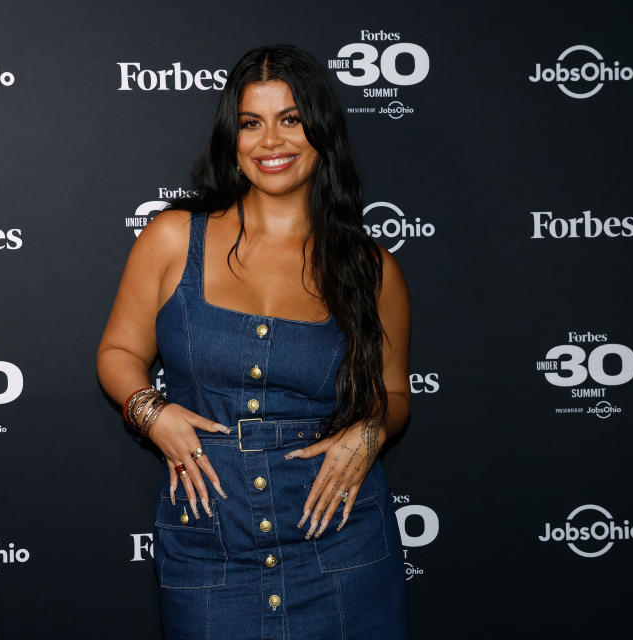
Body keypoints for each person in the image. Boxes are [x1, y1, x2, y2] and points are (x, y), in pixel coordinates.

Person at [96, 44, 411, 639]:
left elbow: (392, 394)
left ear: (321, 133)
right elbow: (118, 354)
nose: (271, 141)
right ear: (232, 140)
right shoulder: (171, 238)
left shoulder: (372, 269)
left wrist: (370, 431)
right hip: (209, 540)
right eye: (251, 123)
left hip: (340, 541)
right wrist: (151, 412)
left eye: (290, 119)